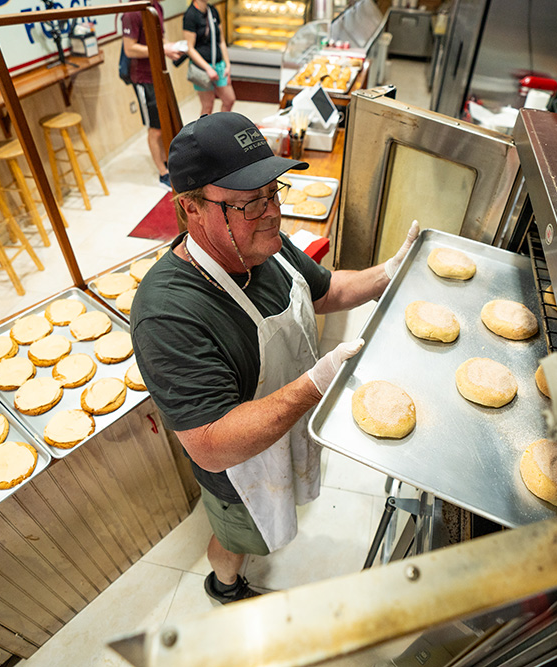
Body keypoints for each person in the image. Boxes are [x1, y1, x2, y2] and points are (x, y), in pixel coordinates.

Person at [130, 113, 419, 605]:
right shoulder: (169, 314)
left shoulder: (267, 245)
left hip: (285, 436)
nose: (271, 213)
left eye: (273, 192)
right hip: (238, 472)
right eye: (248, 203)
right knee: (240, 536)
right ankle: (224, 582)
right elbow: (210, 444)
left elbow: (325, 291)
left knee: (281, 509)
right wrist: (315, 384)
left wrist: (389, 272)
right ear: (191, 209)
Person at [122, 0, 184, 187]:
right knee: (155, 129)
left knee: (166, 122)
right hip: (142, 78)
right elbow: (130, 48)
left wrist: (170, 48)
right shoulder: (132, 13)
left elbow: (159, 39)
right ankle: (162, 172)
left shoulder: (156, 7)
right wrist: (162, 49)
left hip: (158, 72)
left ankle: (168, 162)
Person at [183, 0, 235, 116]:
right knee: (207, 105)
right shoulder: (190, 15)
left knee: (229, 99)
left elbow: (221, 41)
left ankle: (221, 127)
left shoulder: (212, 11)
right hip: (201, 68)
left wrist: (227, 64)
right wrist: (208, 68)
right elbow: (189, 48)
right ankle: (204, 133)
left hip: (219, 64)